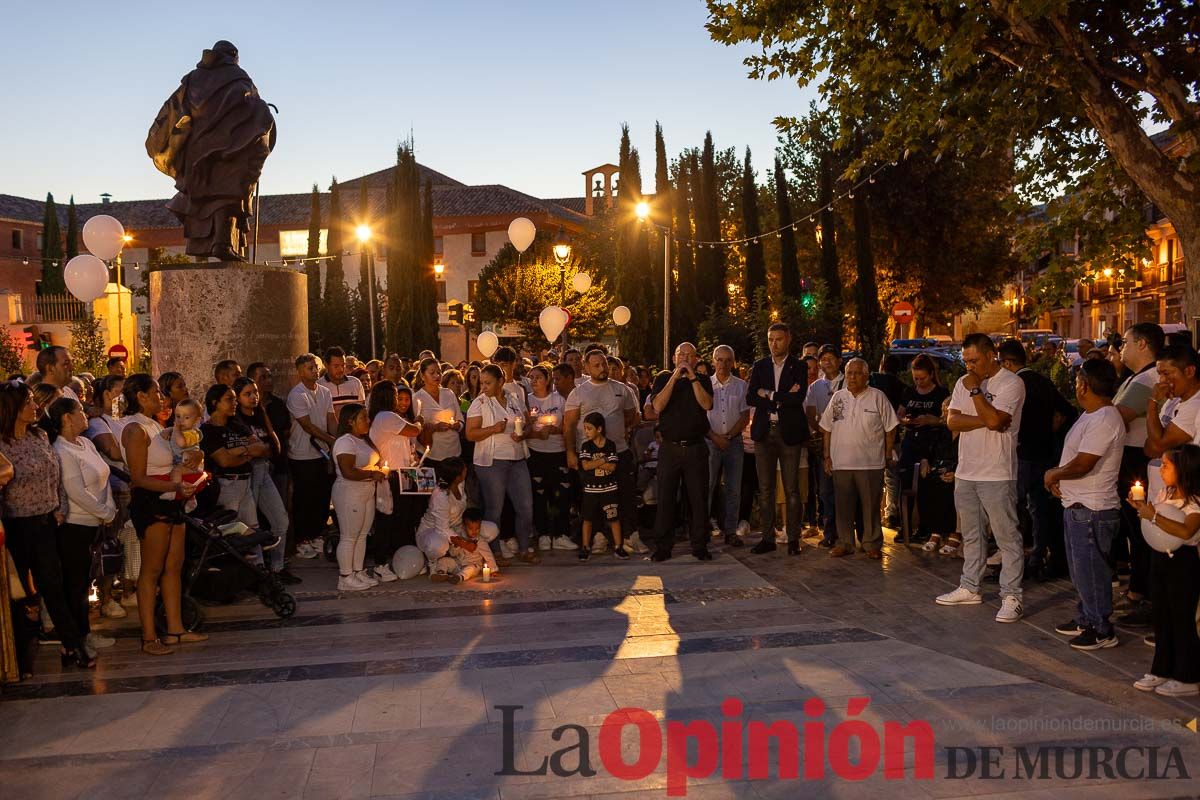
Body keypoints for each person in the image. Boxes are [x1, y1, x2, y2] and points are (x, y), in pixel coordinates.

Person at [0, 383, 96, 669]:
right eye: (28, 402)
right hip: (15, 525)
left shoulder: (39, 435)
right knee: (21, 595)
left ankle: (72, 646)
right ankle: (18, 657)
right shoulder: (3, 445)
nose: (35, 406)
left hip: (45, 523)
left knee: (54, 587)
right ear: (13, 409)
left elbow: (56, 475)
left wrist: (60, 508)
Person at [936, 333, 1027, 622]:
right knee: (972, 535)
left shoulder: (1012, 383)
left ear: (991, 355)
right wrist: (988, 420)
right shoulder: (963, 381)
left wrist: (977, 395)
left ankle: (1012, 595)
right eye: (966, 361)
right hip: (967, 470)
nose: (969, 367)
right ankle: (970, 586)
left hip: (997, 472)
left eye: (974, 360)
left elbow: (997, 422)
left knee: (1006, 537)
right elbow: (953, 421)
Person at [121, 374, 207, 655]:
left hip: (173, 499)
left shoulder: (158, 425)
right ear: (141, 397)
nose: (162, 397)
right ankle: (148, 637)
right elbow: (137, 477)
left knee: (174, 566)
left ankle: (176, 630)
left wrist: (193, 462)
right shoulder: (135, 429)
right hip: (151, 501)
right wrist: (173, 485)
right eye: (156, 392)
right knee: (152, 570)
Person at [1044, 359, 1124, 650]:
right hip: (1078, 504)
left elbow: (1085, 462)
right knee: (1081, 570)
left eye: (1078, 381)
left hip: (1093, 508)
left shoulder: (1104, 418)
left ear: (1083, 385)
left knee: (1092, 570)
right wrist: (1061, 482)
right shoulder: (1090, 415)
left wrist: (1056, 474)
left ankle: (1101, 628)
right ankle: (1086, 617)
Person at [47, 397, 118, 658]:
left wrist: (108, 509)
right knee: (76, 585)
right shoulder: (61, 450)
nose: (85, 413)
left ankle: (86, 632)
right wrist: (103, 512)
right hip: (76, 525)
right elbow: (75, 490)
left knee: (88, 581)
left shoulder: (85, 443)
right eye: (79, 410)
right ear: (66, 417)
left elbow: (103, 475)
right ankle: (79, 636)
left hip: (97, 522)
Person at [1128, 446, 1200, 696]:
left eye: (1167, 465)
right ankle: (1161, 669)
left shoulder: (1194, 502)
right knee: (1161, 615)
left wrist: (1153, 517)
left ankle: (1188, 676)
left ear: (1184, 470)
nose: (1162, 469)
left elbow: (1185, 532)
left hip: (1184, 562)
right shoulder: (1164, 493)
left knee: (1182, 617)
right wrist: (1141, 509)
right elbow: (1154, 525)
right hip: (1159, 558)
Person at [997, 339, 1072, 580]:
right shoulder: (1043, 382)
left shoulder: (1014, 384)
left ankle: (1013, 560)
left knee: (1012, 509)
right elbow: (1070, 412)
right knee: (1040, 510)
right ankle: (1039, 556)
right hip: (1045, 454)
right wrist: (1053, 431)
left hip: (1022, 455)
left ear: (1008, 362)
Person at [1111, 323, 1164, 628]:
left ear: (1143, 344)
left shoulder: (1148, 379)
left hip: (1138, 459)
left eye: (1126, 343)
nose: (1121, 349)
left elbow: (1116, 418)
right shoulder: (1137, 377)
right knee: (1135, 530)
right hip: (1135, 457)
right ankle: (1137, 590)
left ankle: (1143, 593)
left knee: (1141, 529)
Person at [820, 358, 899, 559]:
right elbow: (826, 428)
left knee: (871, 506)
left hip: (870, 462)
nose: (852, 377)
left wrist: (888, 452)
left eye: (857, 373)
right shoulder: (838, 397)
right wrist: (827, 456)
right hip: (841, 462)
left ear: (866, 375)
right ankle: (844, 543)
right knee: (843, 506)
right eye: (849, 373)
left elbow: (891, 427)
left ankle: (871, 543)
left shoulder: (877, 397)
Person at [564, 351, 641, 551]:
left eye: (604, 364)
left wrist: (620, 431)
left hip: (619, 451)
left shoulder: (622, 390)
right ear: (587, 368)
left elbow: (633, 416)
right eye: (596, 365)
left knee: (625, 494)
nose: (602, 369)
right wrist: (571, 452)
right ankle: (598, 536)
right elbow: (569, 425)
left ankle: (629, 535)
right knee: (593, 497)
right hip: (589, 454)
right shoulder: (578, 393)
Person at [648, 342, 714, 562]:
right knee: (666, 498)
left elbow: (707, 405)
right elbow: (657, 406)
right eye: (681, 355)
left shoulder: (703, 379)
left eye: (689, 355)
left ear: (695, 359)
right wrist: (674, 378)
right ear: (674, 358)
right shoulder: (662, 378)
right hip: (670, 448)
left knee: (697, 499)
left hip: (695, 448)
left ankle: (700, 545)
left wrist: (693, 378)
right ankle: (663, 546)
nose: (685, 359)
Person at [748, 324, 810, 555]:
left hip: (789, 432)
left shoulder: (799, 366)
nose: (774, 344)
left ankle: (793, 539)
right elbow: (751, 396)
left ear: (788, 339)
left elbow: (798, 398)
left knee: (792, 488)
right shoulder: (760, 366)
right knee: (765, 489)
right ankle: (767, 538)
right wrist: (781, 397)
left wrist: (770, 394)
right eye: (770, 339)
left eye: (779, 339)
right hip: (765, 433)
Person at [467, 364, 538, 563]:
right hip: (492, 461)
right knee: (494, 508)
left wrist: (523, 434)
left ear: (500, 381)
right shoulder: (479, 403)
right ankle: (494, 553)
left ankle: (524, 548)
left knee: (525, 506)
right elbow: (470, 433)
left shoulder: (514, 399)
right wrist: (492, 429)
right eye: (482, 383)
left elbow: (528, 424)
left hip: (517, 459)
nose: (484, 387)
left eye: (488, 383)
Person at [233, 376, 295, 583]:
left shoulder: (260, 415)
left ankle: (277, 567)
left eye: (255, 393)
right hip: (248, 473)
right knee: (251, 524)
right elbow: (252, 450)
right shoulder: (236, 421)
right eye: (247, 394)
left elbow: (273, 446)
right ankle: (258, 570)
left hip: (264, 470)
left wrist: (261, 447)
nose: (253, 397)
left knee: (280, 520)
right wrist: (258, 450)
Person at [85, 374, 131, 619]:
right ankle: (105, 597)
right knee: (109, 545)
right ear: (106, 395)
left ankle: (124, 589)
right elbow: (113, 450)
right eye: (120, 392)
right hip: (114, 488)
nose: (125, 398)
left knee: (126, 543)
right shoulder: (98, 423)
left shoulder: (123, 420)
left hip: (130, 487)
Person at [368, 380, 424, 580]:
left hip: (405, 472)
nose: (397, 399)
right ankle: (381, 562)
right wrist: (419, 421)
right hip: (391, 474)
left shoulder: (389, 417)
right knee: (388, 518)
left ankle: (404, 556)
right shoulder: (386, 417)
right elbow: (415, 430)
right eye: (394, 394)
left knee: (405, 518)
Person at [331, 403, 388, 591]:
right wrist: (372, 474)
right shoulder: (345, 441)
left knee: (362, 535)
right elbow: (348, 471)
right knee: (349, 535)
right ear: (350, 421)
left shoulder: (364, 440)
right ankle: (345, 576)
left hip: (366, 491)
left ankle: (357, 570)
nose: (368, 421)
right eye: (363, 417)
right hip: (349, 492)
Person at [417, 457, 501, 578]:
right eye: (464, 470)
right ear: (457, 477)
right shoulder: (440, 496)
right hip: (434, 531)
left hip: (458, 526)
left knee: (492, 529)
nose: (466, 470)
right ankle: (433, 562)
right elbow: (443, 529)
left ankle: (467, 556)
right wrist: (465, 543)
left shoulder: (460, 484)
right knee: (438, 546)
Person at [287, 354, 336, 559]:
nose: (314, 371)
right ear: (299, 371)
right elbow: (307, 425)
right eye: (309, 368)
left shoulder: (325, 391)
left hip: (322, 454)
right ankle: (301, 539)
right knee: (304, 498)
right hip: (302, 454)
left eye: (315, 367)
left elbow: (331, 418)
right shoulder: (296, 394)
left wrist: (337, 438)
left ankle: (317, 534)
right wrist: (331, 440)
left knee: (322, 496)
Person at [897, 354, 950, 542]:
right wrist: (905, 420)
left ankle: (926, 527)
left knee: (926, 486)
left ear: (931, 375)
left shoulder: (941, 393)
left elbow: (947, 419)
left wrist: (932, 420)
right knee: (905, 483)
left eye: (922, 378)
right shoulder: (909, 393)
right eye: (915, 378)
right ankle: (905, 526)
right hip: (911, 441)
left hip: (931, 443)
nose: (918, 382)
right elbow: (900, 413)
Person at [707, 345, 750, 548]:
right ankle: (704, 529)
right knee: (708, 486)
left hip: (734, 442)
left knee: (734, 489)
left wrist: (730, 436)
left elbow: (744, 415)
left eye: (727, 360)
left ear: (733, 362)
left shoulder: (741, 386)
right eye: (719, 359)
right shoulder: (706, 385)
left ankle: (731, 531)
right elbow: (700, 417)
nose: (723, 364)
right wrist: (715, 437)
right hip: (711, 442)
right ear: (713, 361)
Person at [526, 365, 573, 551]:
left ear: (547, 380)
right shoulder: (527, 401)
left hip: (557, 452)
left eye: (538, 377)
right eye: (531, 377)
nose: (534, 380)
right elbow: (523, 428)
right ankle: (544, 534)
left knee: (560, 494)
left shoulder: (559, 400)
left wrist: (553, 430)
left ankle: (561, 534)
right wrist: (537, 433)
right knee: (539, 495)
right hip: (536, 453)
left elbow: (568, 427)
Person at [806, 345, 844, 546]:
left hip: (846, 444)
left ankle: (848, 531)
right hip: (825, 446)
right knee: (826, 491)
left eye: (831, 358)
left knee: (845, 490)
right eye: (823, 359)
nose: (826, 362)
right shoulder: (815, 387)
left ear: (839, 360)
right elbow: (811, 412)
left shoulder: (848, 382)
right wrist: (821, 430)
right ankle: (830, 534)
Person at [577, 411, 628, 561]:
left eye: (589, 428)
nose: (586, 432)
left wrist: (596, 463)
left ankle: (619, 546)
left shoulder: (610, 444)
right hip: (591, 488)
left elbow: (612, 467)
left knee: (613, 517)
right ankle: (585, 546)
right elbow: (586, 466)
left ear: (599, 429)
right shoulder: (586, 446)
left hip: (609, 487)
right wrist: (603, 459)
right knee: (587, 517)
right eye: (585, 428)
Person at [414, 357, 464, 470]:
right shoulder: (417, 398)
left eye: (439, 372)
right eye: (432, 373)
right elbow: (417, 429)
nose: (437, 376)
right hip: (432, 454)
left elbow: (461, 420)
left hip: (454, 451)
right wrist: (435, 427)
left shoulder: (449, 393)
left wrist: (457, 425)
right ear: (422, 376)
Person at [320, 346, 366, 417]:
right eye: (336, 366)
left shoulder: (355, 383)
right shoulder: (319, 386)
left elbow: (361, 411)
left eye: (343, 365)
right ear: (326, 365)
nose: (341, 369)